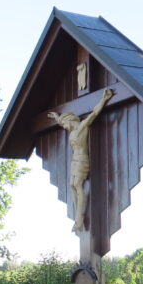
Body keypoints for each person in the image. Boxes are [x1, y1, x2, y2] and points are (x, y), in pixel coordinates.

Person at [48, 86, 114, 231]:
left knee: (78, 185)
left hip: (83, 160)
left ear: (71, 121)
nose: (64, 127)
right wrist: (57, 118)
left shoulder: (82, 127)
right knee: (72, 186)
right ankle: (78, 219)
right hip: (74, 161)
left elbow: (95, 113)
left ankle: (79, 220)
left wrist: (104, 98)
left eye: (65, 124)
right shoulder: (71, 131)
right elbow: (61, 122)